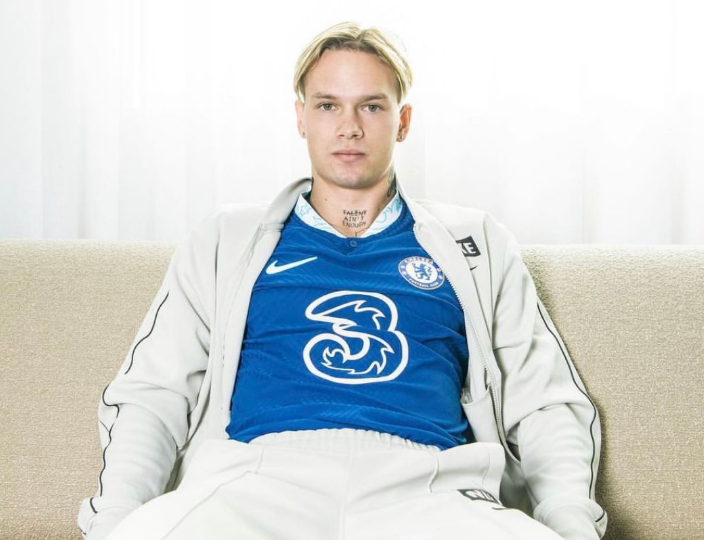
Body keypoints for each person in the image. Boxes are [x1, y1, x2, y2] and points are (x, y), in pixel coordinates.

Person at [78, 21, 607, 540]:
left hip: (431, 484)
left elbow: (545, 402)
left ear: (402, 121)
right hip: (257, 477)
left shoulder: (477, 241)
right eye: (328, 105)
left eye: (371, 106)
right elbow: (154, 393)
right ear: (301, 118)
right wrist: (116, 518)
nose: (349, 126)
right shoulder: (225, 239)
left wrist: (570, 522)